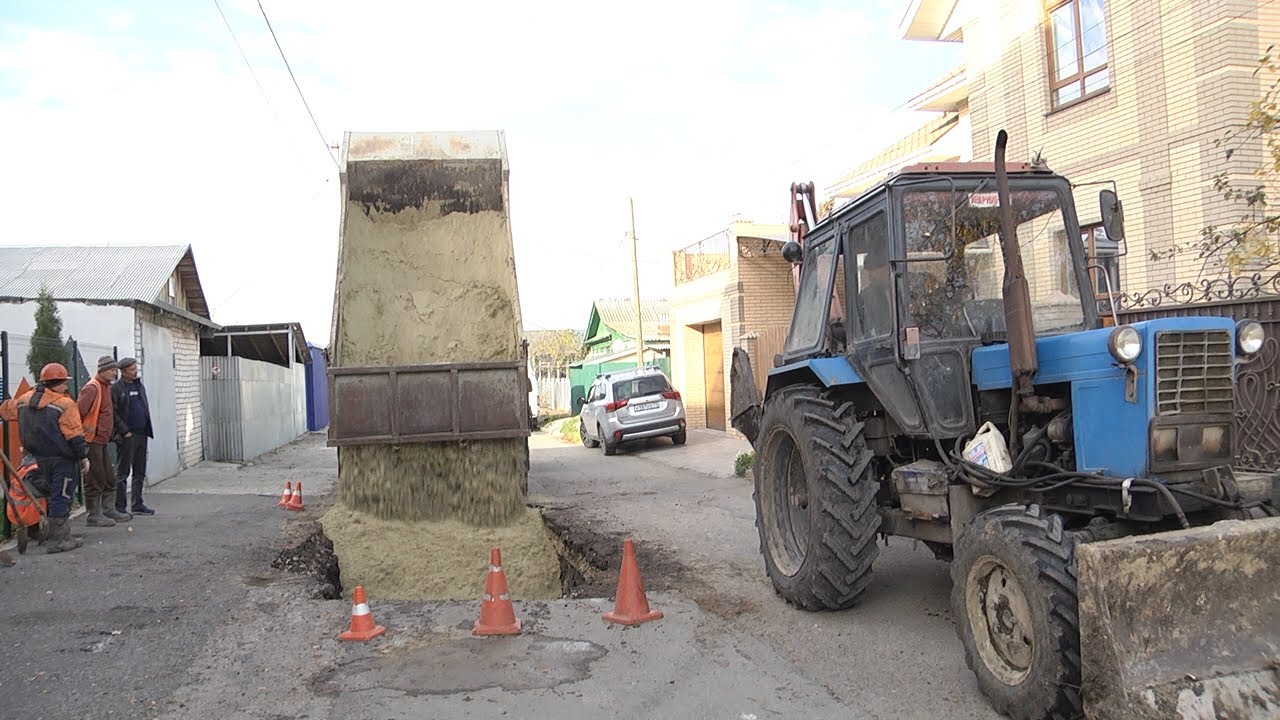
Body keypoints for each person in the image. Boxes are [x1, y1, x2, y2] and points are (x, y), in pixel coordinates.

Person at [0, 363, 89, 554]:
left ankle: (39, 531)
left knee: (43, 493)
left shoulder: (24, 400)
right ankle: (59, 540)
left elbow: (6, 410)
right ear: (58, 383)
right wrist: (83, 457)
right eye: (64, 383)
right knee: (61, 496)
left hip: (33, 458)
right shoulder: (65, 404)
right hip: (61, 459)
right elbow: (74, 435)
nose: (66, 387)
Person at [78, 355, 130, 526]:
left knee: (108, 475)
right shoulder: (92, 388)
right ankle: (93, 515)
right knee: (94, 476)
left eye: (115, 370)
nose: (115, 373)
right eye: (112, 370)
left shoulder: (106, 387)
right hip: (91, 441)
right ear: (102, 370)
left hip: (101, 441)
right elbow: (78, 414)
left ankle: (108, 509)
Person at [112, 357, 154, 515]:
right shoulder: (116, 388)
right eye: (131, 369)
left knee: (140, 470)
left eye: (135, 367)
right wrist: (124, 431)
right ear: (123, 372)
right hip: (127, 436)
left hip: (142, 433)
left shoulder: (138, 385)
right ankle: (120, 507)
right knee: (123, 472)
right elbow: (114, 413)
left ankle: (137, 504)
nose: (135, 371)